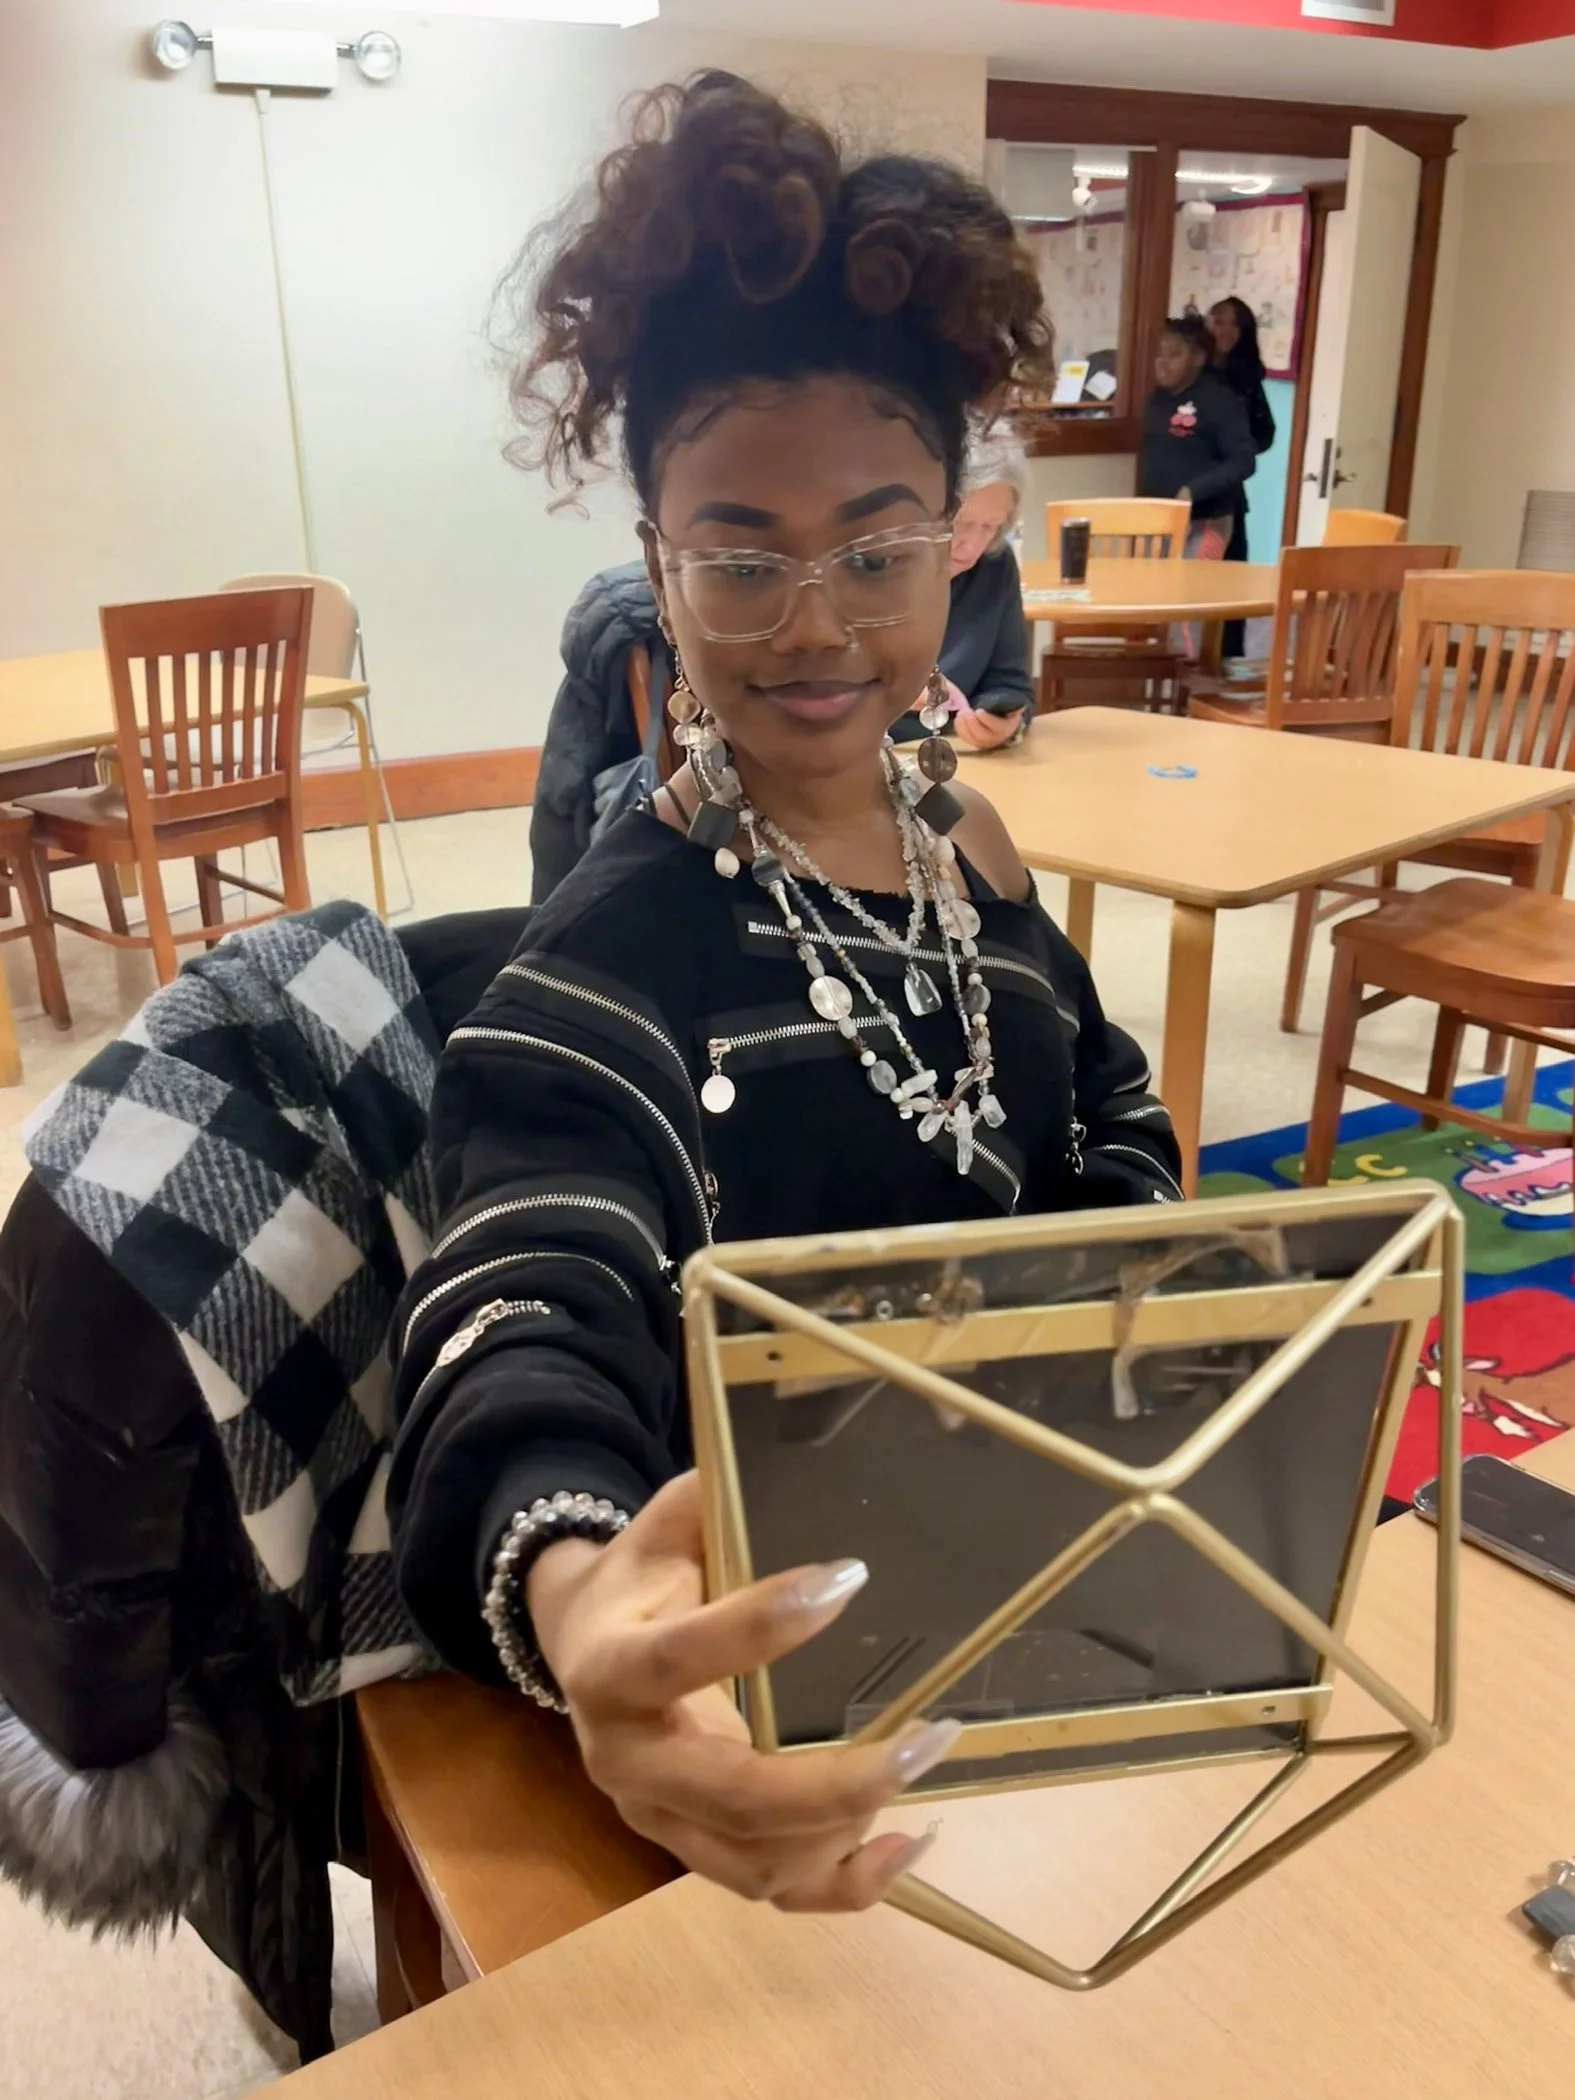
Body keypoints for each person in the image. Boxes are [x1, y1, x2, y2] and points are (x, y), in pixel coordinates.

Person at [387, 71, 1182, 1919]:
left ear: (954, 543)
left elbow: (1107, 1117)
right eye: (740, 559)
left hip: (1036, 1611)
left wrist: (1134, 1339)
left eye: (876, 550)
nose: (816, 623)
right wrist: (588, 1597)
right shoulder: (611, 960)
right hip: (766, 1706)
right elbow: (524, 1303)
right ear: (655, 569)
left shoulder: (970, 852)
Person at [894, 424, 1033, 754]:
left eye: (990, 526)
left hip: (957, 757)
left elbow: (1011, 683)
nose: (971, 545)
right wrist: (893, 689)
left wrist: (1004, 725)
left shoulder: (995, 563)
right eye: (960, 523)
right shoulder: (868, 566)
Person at [1137, 315, 1255, 562]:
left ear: (1198, 358)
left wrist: (1193, 490)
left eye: (1174, 355)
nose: (1162, 363)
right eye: (1159, 354)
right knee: (1148, 583)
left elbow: (1243, 461)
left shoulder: (1219, 401)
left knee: (1189, 583)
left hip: (1205, 520)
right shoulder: (1156, 400)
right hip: (1158, 519)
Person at [1207, 296, 1276, 658]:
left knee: (1231, 580)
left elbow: (1265, 433)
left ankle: (1229, 656)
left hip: (1229, 493)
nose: (1214, 329)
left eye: (1223, 322)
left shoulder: (1245, 379)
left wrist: (1236, 449)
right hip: (1194, 489)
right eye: (1212, 321)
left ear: (1239, 331)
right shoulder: (1199, 372)